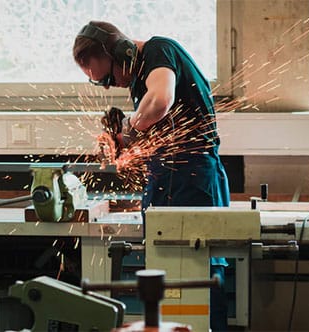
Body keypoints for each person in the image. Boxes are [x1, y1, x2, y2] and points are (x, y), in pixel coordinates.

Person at [73, 21, 231, 330]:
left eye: (107, 77)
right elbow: (152, 128)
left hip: (192, 179)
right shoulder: (138, 81)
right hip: (166, 179)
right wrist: (121, 142)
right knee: (166, 282)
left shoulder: (160, 51)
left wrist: (130, 125)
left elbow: (160, 102)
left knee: (198, 278)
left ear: (122, 51)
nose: (110, 86)